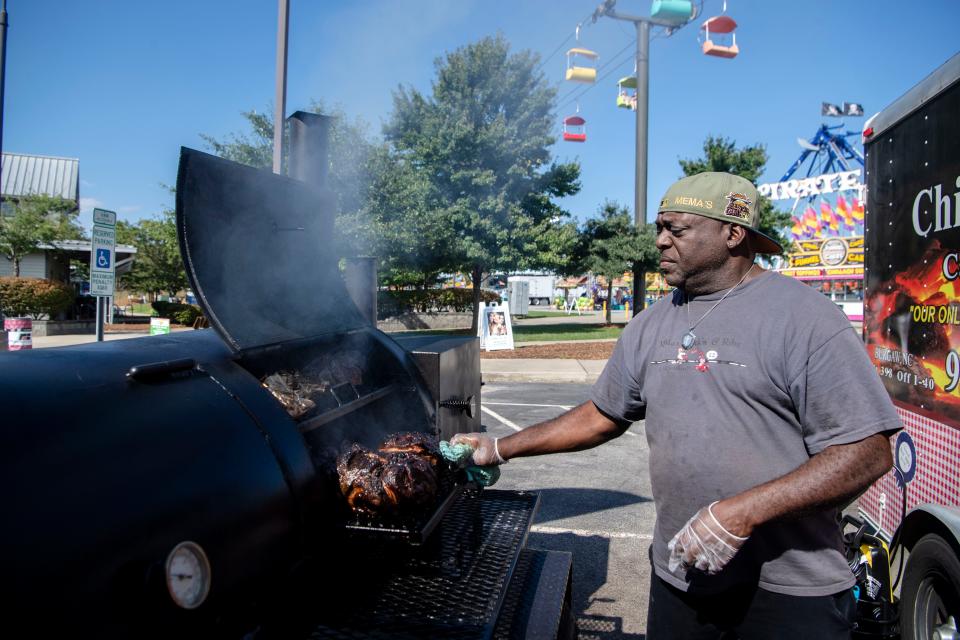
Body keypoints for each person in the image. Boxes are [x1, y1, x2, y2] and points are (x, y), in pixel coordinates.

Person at [453, 172, 899, 639]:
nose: (661, 242)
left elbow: (867, 451)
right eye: (659, 229)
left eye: (677, 230)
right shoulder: (650, 325)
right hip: (681, 576)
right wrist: (501, 448)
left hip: (789, 590)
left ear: (732, 233)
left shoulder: (804, 318)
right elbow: (600, 416)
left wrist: (744, 512)